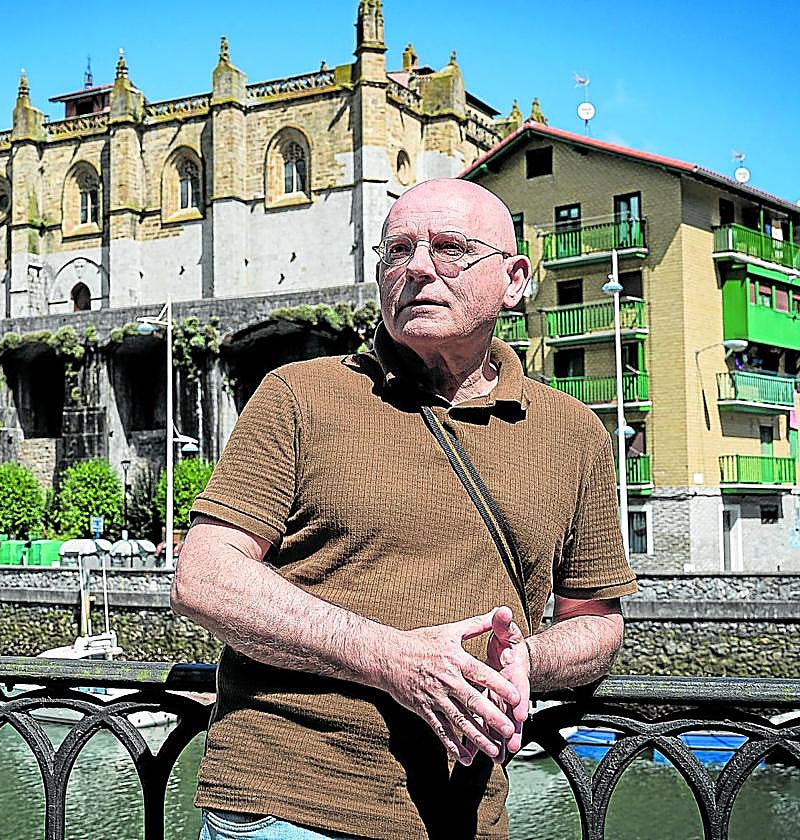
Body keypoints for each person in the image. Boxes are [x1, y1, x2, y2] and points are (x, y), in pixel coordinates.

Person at [172, 179, 637, 840]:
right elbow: (205, 578)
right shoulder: (298, 395)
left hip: (464, 817)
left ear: (514, 281)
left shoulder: (574, 434)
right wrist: (387, 657)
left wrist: (526, 662)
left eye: (450, 249)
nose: (416, 267)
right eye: (398, 251)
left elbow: (597, 624)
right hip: (289, 806)